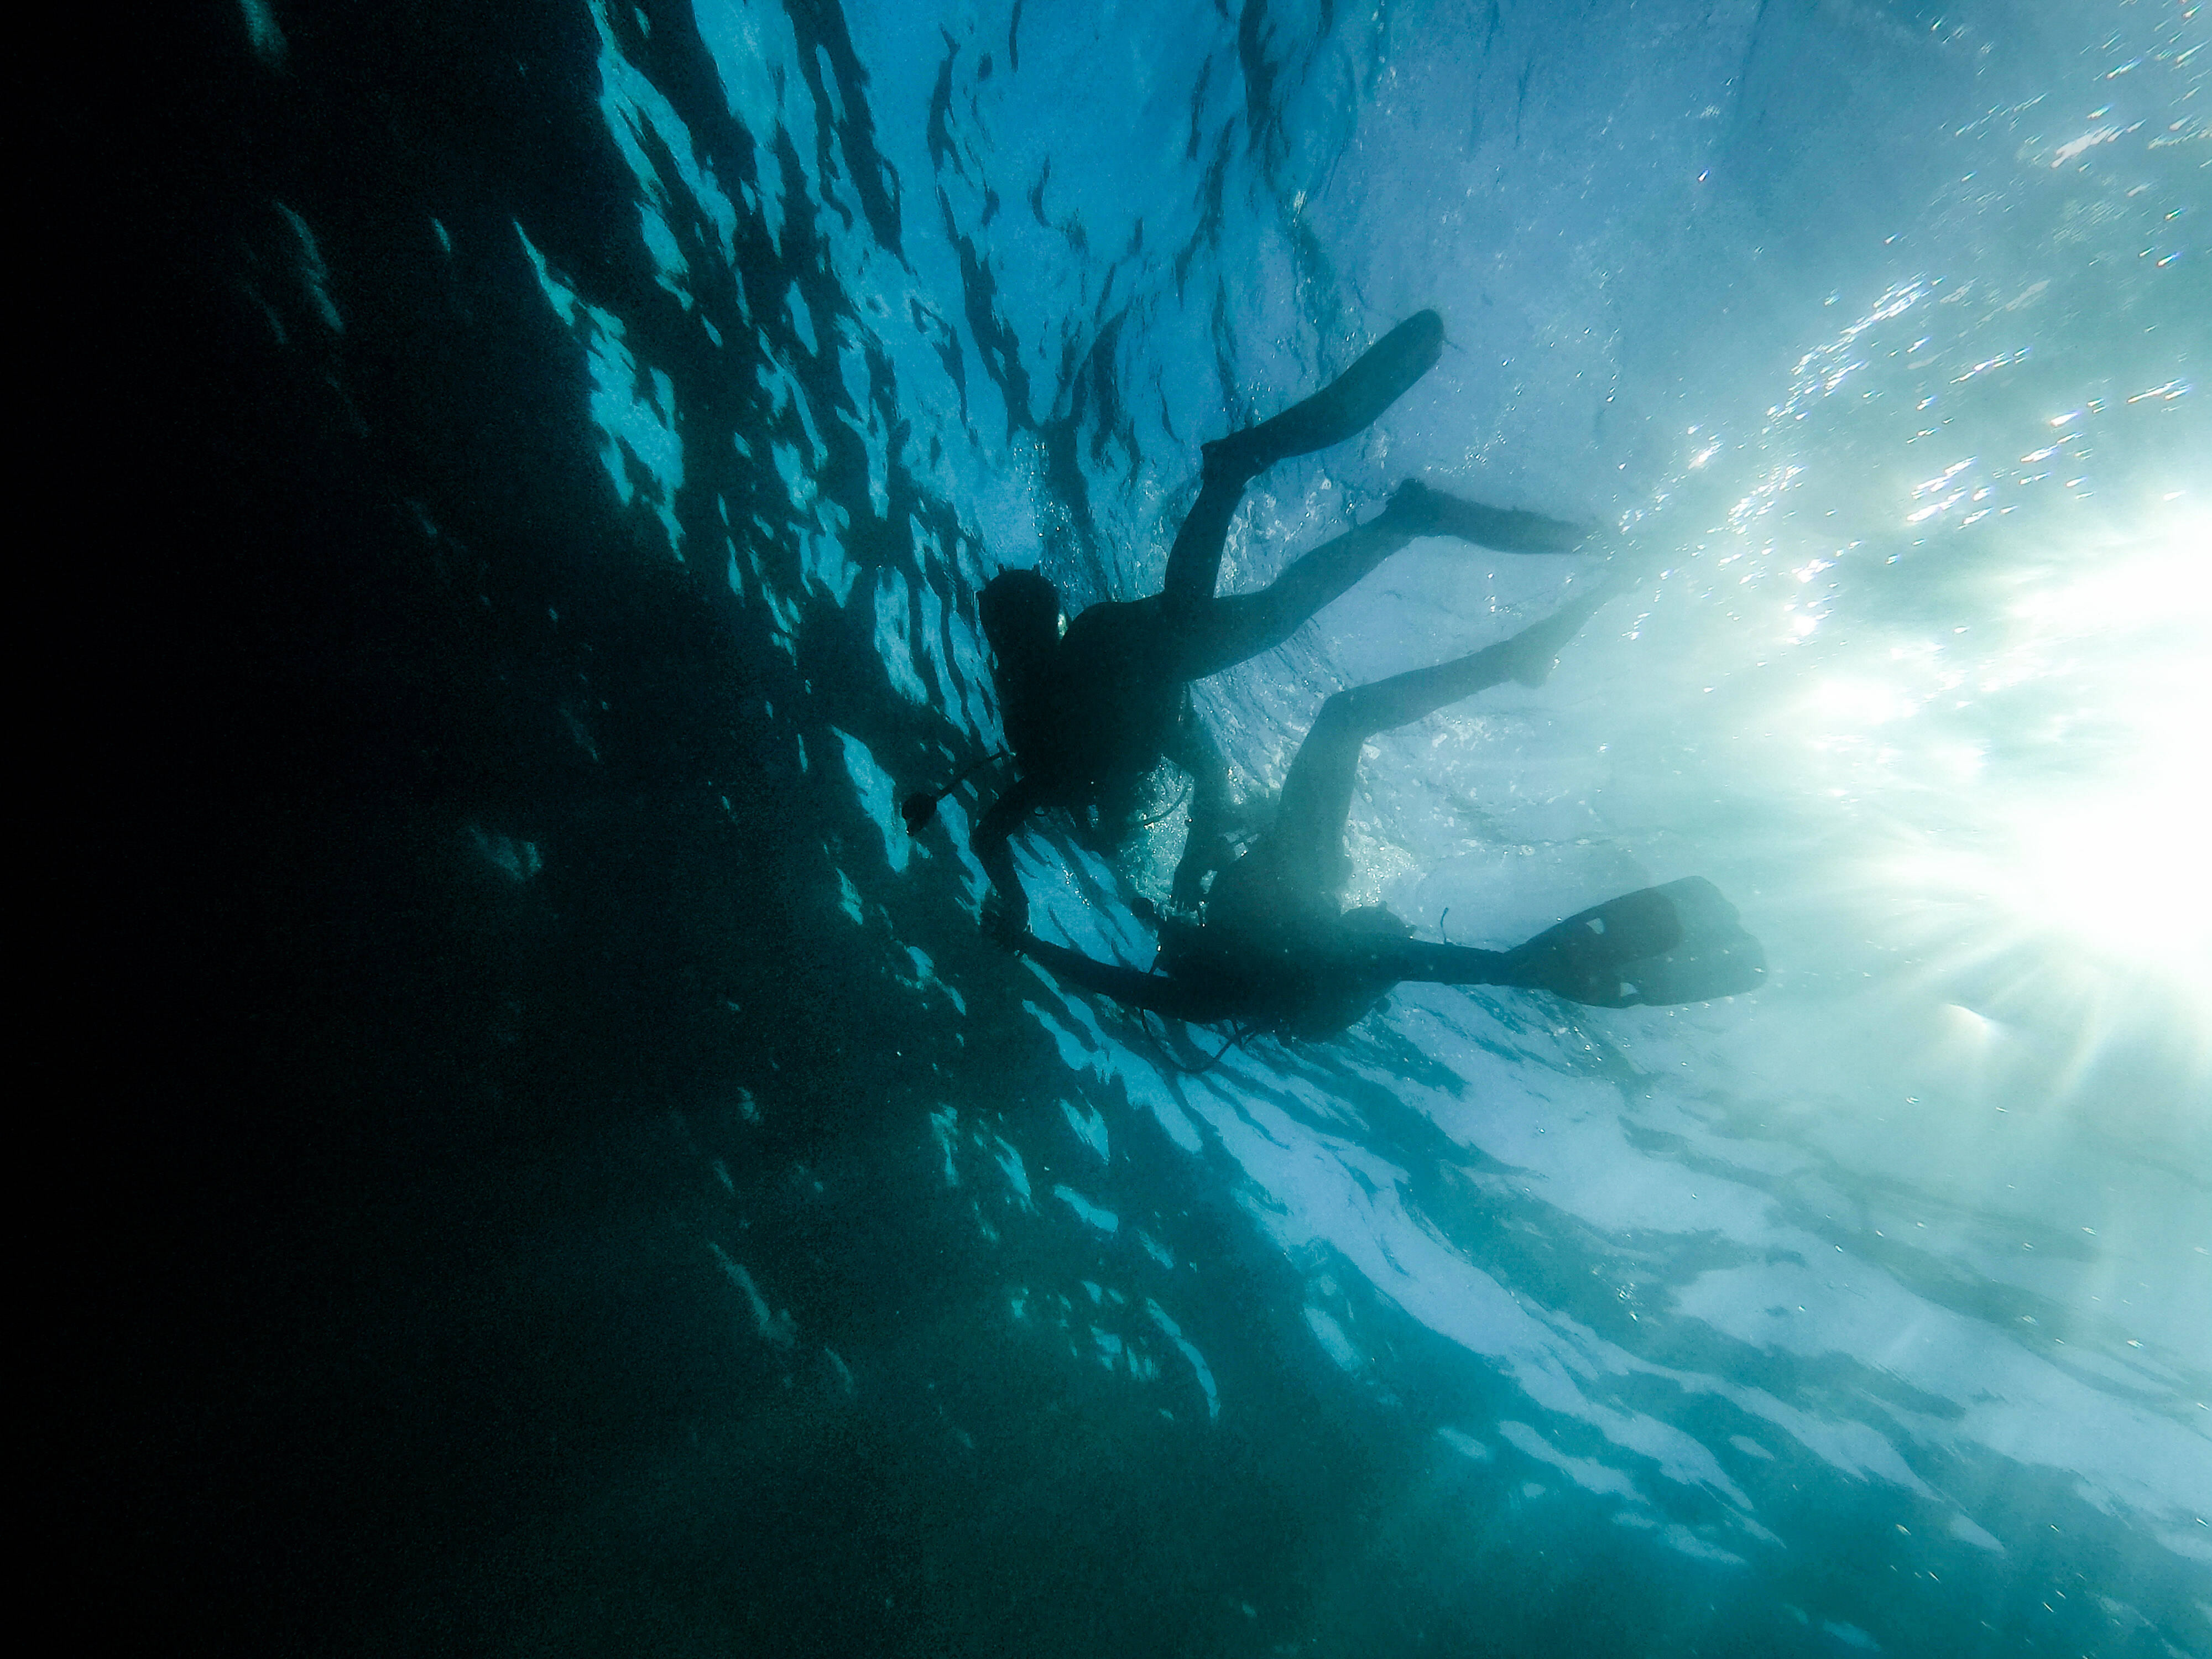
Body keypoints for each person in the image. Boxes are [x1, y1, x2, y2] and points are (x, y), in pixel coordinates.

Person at [904, 310, 1598, 927]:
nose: (1125, 811)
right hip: (1120, 646)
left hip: (1110, 652)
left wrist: (1015, 903)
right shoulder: (1139, 753)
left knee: (1199, 626)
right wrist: (1196, 851)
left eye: (1115, 816)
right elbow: (1208, 775)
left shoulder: (1056, 770)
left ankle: (1234, 470)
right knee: (1273, 616)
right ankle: (1399, 522)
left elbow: (989, 835)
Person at [990, 576, 1766, 1040]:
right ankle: (1524, 968)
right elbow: (1124, 985)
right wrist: (1029, 947)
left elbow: (1122, 972)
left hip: (1298, 883)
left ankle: (1515, 661)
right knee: (1344, 727)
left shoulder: (1206, 947)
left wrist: (1033, 941)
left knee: (1342, 720)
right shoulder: (1217, 990)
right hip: (1305, 910)